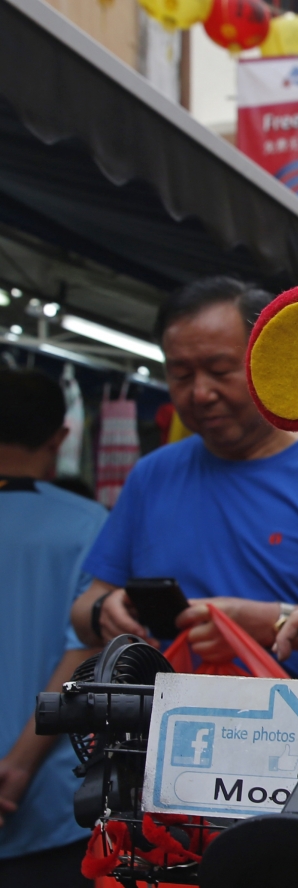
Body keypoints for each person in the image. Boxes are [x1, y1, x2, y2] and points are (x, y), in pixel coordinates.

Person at [70, 278, 298, 680]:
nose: (201, 393)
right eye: (181, 375)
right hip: (169, 731)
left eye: (220, 370)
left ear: (270, 360)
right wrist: (106, 611)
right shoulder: (153, 474)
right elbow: (84, 608)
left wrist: (270, 620)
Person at [0, 369, 107, 886]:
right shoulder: (91, 525)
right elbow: (85, 646)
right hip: (47, 799)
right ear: (62, 435)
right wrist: (17, 768)